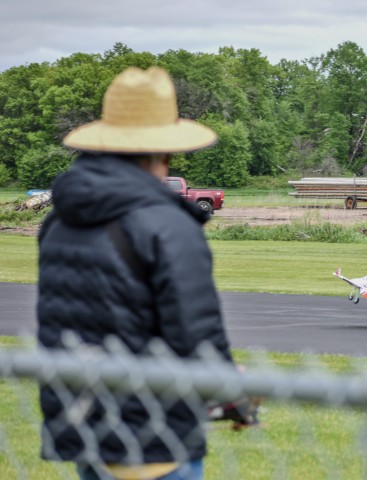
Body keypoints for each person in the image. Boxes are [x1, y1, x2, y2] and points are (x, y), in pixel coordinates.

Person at [37, 66, 232, 480]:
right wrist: (230, 390)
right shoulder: (168, 225)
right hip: (153, 432)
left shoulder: (59, 220)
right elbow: (197, 335)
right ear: (166, 152)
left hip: (85, 426)